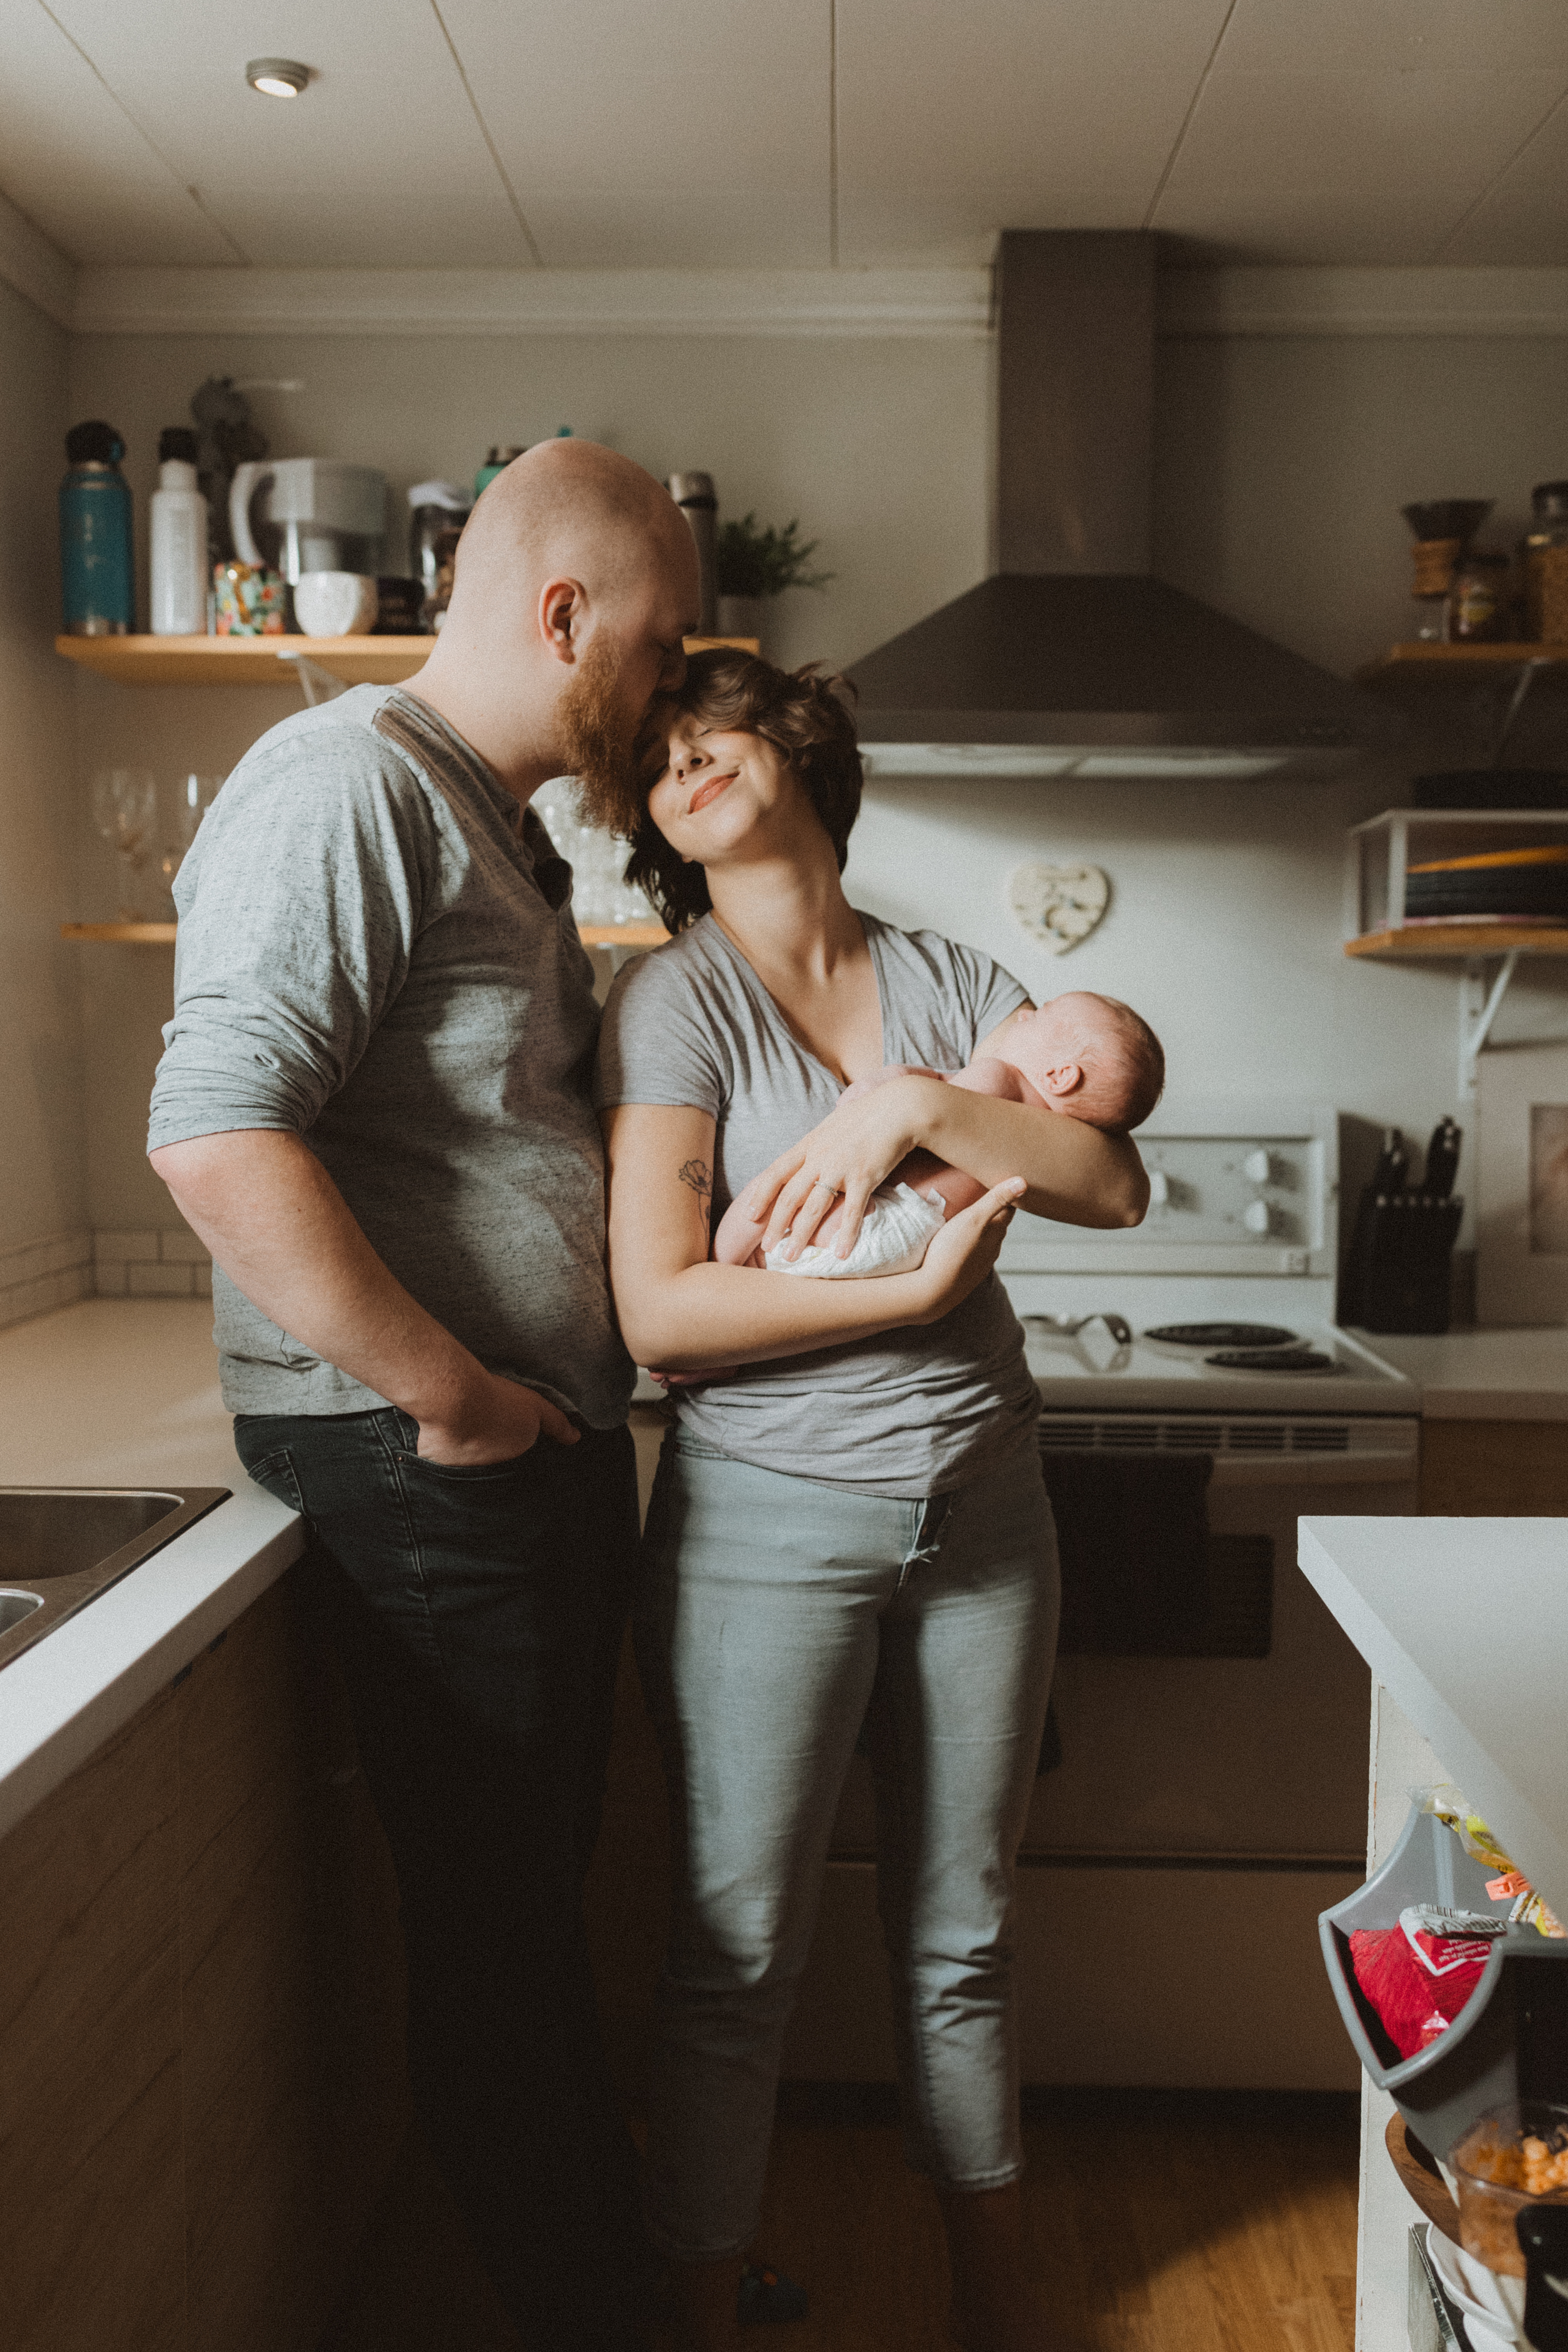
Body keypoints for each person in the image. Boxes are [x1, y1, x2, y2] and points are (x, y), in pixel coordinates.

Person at [147, 440, 701, 2352]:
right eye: (664, 636)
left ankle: (601, 2281)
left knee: (529, 1920)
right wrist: (456, 1395)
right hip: (426, 1458)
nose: (678, 677)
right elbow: (217, 1134)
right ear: (562, 615)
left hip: (490, 1455)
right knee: (503, 1942)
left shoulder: (486, 815)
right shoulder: (345, 785)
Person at [593, 649, 1148, 2352]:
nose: (684, 758)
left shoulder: (946, 977)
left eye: (715, 727)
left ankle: (1001, 2314)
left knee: (964, 1936)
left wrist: (918, 1095)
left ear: (799, 745)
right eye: (659, 755)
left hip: (986, 1514)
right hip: (767, 1531)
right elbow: (659, 1316)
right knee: (735, 1956)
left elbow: (1109, 1178)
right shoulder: (672, 1004)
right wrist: (898, 1304)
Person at [711, 988, 1165, 1278]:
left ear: (1061, 1074)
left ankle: (722, 1268)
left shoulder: (996, 1077)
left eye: (1042, 1014)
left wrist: (886, 1087)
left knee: (760, 1210)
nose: (1024, 1017)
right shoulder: (1045, 1134)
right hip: (915, 1244)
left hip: (882, 1216)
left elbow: (916, 1111)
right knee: (792, 1267)